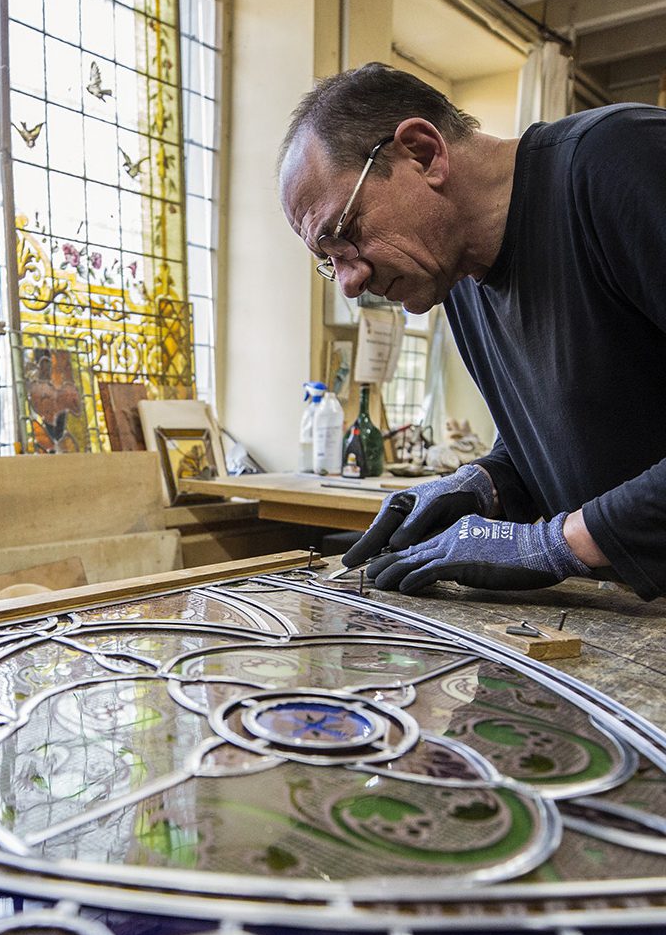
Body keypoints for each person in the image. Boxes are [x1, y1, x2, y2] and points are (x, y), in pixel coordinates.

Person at [277, 62, 666, 601]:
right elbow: (573, 428)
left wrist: (558, 544)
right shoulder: (457, 279)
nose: (348, 282)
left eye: (346, 235)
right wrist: (486, 484)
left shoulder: (619, 161)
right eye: (330, 261)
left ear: (422, 152)